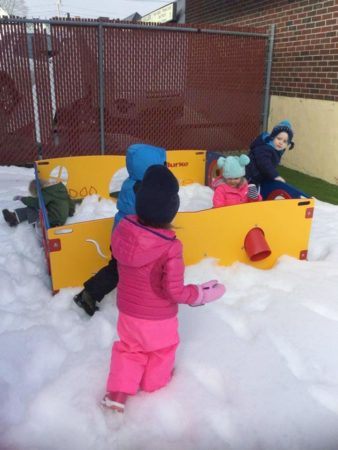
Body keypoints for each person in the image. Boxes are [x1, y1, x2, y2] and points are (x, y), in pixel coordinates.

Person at [101, 165, 226, 413]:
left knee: (129, 349)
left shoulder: (123, 230)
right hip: (159, 317)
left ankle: (117, 394)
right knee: (162, 350)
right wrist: (200, 294)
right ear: (171, 210)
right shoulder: (170, 247)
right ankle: (154, 387)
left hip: (128, 312)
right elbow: (174, 291)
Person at [73, 143, 166, 317]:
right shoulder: (141, 190)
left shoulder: (132, 183)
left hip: (123, 236)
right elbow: (143, 216)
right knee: (116, 270)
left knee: (122, 269)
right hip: (130, 240)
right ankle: (88, 294)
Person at [2, 179, 75, 228]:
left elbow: (36, 202)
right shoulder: (60, 188)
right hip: (60, 217)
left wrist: (22, 198)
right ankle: (14, 216)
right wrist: (71, 211)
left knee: (32, 208)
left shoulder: (47, 192)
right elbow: (70, 201)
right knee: (35, 206)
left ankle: (14, 219)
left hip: (53, 221)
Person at [245, 120, 294, 187]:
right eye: (279, 138)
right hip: (249, 175)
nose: (281, 142)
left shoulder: (276, 150)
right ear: (272, 138)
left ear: (287, 144)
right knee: (249, 193)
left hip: (256, 176)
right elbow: (264, 163)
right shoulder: (265, 148)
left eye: (285, 141)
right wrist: (275, 175)